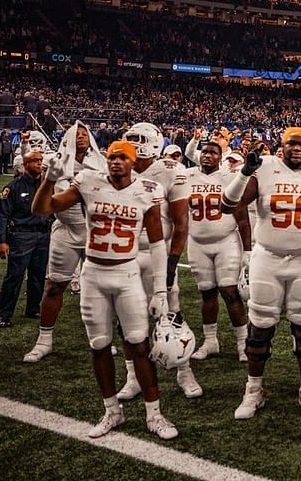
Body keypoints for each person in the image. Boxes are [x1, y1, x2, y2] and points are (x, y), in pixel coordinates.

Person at [31, 140, 178, 440]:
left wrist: (160, 290)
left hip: (127, 273)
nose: (115, 162)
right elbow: (42, 209)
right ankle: (112, 410)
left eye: (123, 157)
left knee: (138, 343)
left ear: (134, 162)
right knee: (99, 345)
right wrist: (49, 179)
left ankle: (155, 413)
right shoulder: (89, 181)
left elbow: (158, 244)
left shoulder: (148, 190)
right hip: (93, 274)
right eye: (111, 157)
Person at [224, 127, 301, 420]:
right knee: (260, 325)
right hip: (268, 257)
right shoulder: (264, 168)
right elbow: (229, 204)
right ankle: (253, 389)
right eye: (292, 144)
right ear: (282, 145)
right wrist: (243, 173)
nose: (297, 149)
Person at [118, 122, 199, 400]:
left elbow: (181, 223)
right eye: (130, 138)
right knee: (126, 317)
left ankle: (184, 370)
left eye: (139, 139)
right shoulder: (118, 167)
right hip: (123, 254)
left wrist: (173, 262)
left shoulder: (169, 170)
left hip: (157, 252)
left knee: (170, 310)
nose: (133, 144)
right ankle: (133, 376)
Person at [24, 123, 103, 363]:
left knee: (98, 289)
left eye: (84, 134)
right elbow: (42, 203)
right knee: (55, 286)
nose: (80, 137)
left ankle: (100, 339)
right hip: (65, 229)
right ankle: (43, 341)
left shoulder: (101, 162)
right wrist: (51, 178)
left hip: (94, 231)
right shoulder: (54, 161)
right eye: (76, 134)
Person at [185, 140, 248, 362]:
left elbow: (242, 216)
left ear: (220, 158)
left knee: (230, 291)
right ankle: (210, 341)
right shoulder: (187, 176)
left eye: (213, 153)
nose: (208, 155)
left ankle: (243, 342)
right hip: (197, 242)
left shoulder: (229, 178)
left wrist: (247, 250)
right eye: (205, 152)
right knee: (207, 292)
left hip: (226, 240)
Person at [0, 149, 51, 326]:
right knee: (15, 276)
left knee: (38, 275)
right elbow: (2, 216)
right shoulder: (13, 187)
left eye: (40, 160)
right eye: (34, 161)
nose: (39, 163)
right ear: (25, 165)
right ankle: (4, 314)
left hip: (43, 234)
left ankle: (33, 308)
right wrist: (1, 241)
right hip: (21, 235)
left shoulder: (46, 186)